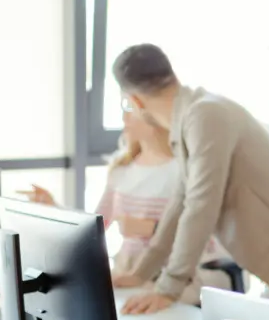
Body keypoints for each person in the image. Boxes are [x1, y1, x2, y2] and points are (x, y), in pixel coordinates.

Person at [108, 43, 269, 314]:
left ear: (134, 101)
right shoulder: (194, 115)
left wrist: (168, 289)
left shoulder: (205, 115)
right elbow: (180, 202)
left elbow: (200, 205)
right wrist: (141, 272)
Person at [18, 109, 232, 306]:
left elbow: (206, 237)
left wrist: (152, 229)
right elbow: (94, 226)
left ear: (155, 117)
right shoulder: (122, 169)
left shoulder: (183, 170)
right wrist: (53, 206)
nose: (124, 118)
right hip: (127, 273)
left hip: (171, 280)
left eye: (131, 109)